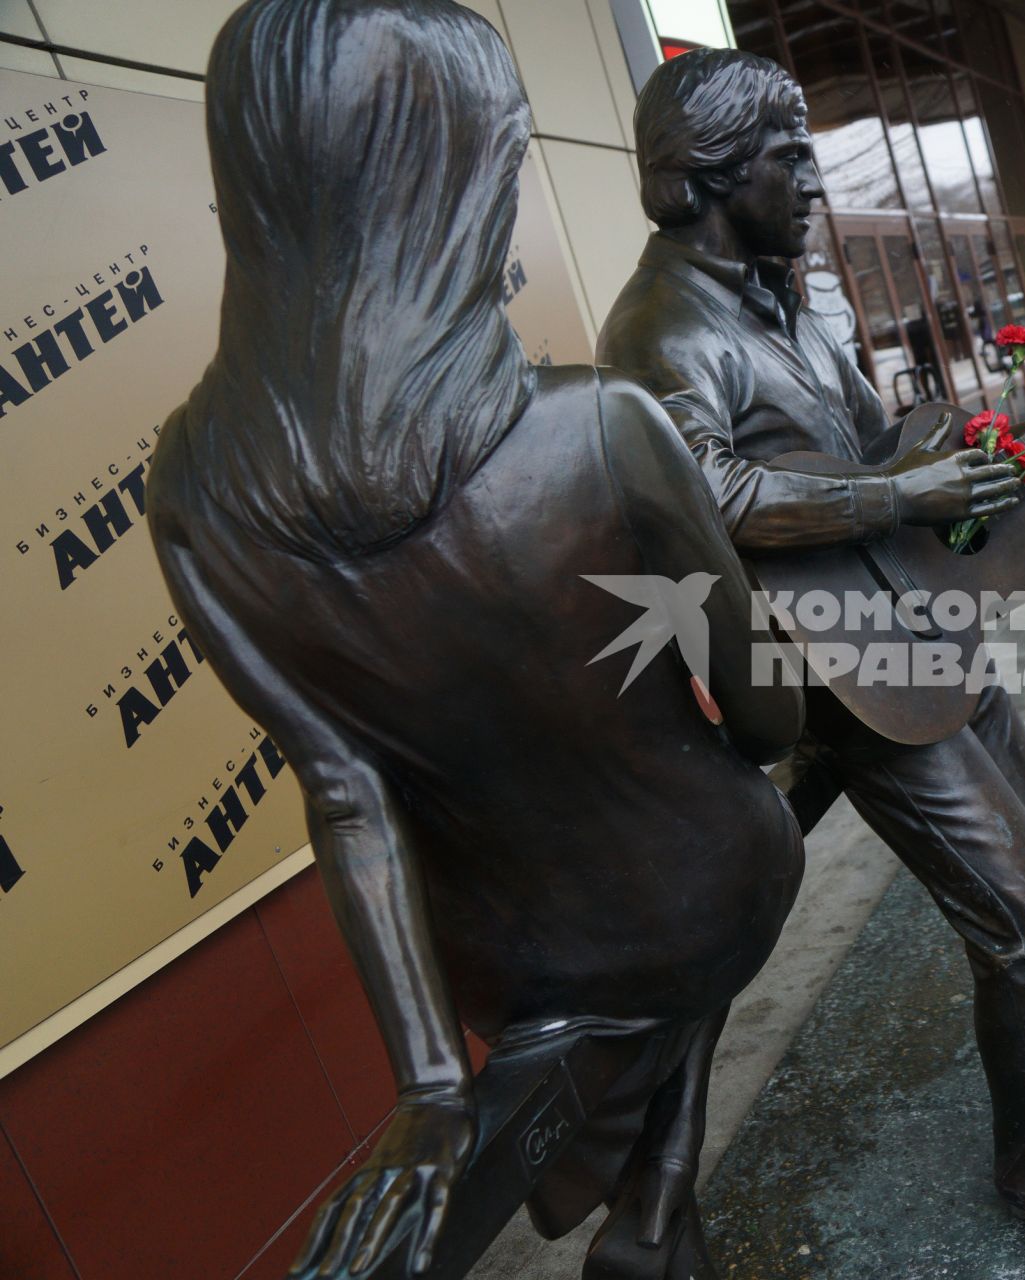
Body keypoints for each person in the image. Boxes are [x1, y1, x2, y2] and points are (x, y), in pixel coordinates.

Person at [145, 3, 811, 1277]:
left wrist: (431, 1085)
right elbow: (769, 714)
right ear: (459, 186)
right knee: (720, 882)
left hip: (496, 968)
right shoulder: (601, 429)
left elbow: (345, 792)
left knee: (647, 984)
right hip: (703, 887)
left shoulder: (190, 489)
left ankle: (657, 1202)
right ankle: (658, 1207)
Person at [596, 48, 1025, 1243]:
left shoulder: (783, 300)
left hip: (915, 631)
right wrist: (895, 497)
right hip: (842, 683)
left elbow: (880, 447)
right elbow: (702, 497)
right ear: (712, 175)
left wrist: (997, 462)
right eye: (790, 158)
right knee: (1021, 919)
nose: (815, 181)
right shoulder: (662, 326)